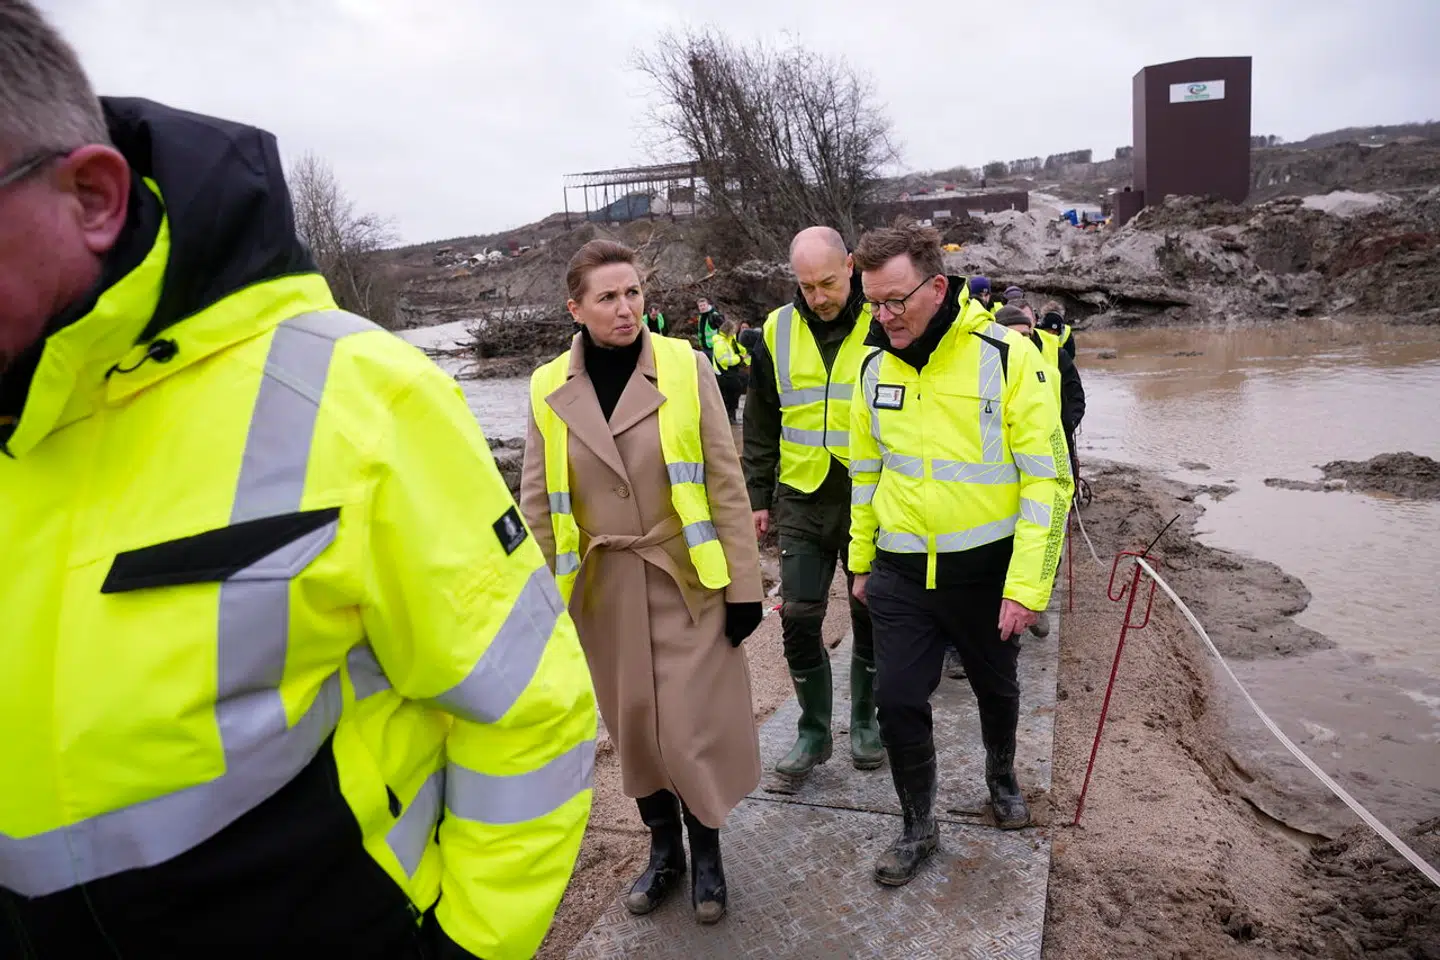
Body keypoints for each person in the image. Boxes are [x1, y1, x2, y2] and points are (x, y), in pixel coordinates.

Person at [0, 4, 597, 957]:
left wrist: (469, 949)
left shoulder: (353, 399)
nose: (624, 309)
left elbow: (530, 709)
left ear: (94, 197)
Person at [521, 240, 765, 926]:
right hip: (601, 594)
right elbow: (537, 503)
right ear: (576, 309)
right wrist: (538, 608)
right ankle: (664, 851)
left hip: (686, 582)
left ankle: (707, 848)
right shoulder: (546, 387)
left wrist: (744, 586)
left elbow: (724, 481)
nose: (625, 308)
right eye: (607, 297)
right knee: (633, 731)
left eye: (632, 293)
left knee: (688, 728)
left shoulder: (686, 367)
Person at [847, 219, 1072, 886]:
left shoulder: (1006, 357)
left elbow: (1049, 480)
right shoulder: (870, 367)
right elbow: (865, 473)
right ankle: (918, 825)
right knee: (896, 700)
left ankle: (1001, 777)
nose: (884, 316)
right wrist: (860, 560)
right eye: (873, 302)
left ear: (938, 287)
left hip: (985, 573)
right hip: (900, 572)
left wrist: (1026, 587)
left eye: (896, 300)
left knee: (996, 689)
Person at [742, 226, 884, 780]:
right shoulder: (776, 330)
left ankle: (866, 722)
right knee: (799, 617)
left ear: (850, 266)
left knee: (870, 612)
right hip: (801, 497)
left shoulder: (883, 321)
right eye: (807, 286)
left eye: (828, 283)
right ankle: (814, 731)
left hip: (869, 495)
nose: (819, 297)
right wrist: (758, 495)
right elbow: (760, 419)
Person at [995, 303, 1086, 639]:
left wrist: (1060, 427)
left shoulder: (1054, 355)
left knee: (1049, 528)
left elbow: (1076, 398)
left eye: (1025, 334)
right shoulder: (985, 365)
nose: (1020, 341)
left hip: (1053, 448)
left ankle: (1038, 598)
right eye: (1012, 336)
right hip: (1005, 464)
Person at [711, 318, 748, 424]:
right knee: (728, 397)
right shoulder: (720, 343)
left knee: (734, 394)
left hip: (731, 372)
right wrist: (739, 358)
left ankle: (731, 416)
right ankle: (728, 417)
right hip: (724, 373)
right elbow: (724, 360)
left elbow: (738, 349)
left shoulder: (730, 340)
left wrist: (744, 352)